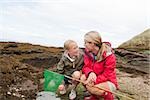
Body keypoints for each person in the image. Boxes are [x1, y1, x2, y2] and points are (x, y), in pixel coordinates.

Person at [81, 31, 118, 100]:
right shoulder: (88, 53)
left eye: (86, 42)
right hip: (96, 78)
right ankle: (94, 96)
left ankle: (110, 97)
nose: (84, 45)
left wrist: (93, 81)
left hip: (109, 81)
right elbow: (86, 67)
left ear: (93, 43)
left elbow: (107, 74)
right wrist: (90, 73)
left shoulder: (109, 55)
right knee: (83, 78)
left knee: (92, 88)